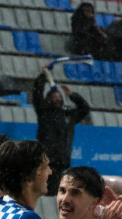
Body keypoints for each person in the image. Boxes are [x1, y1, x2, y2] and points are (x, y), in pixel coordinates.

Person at [32, 69, 91, 197]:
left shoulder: (68, 115)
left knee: (59, 195)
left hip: (63, 162)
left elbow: (85, 108)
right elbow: (37, 94)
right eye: (54, 95)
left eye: (59, 95)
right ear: (48, 98)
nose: (57, 97)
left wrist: (72, 95)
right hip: (47, 161)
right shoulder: (44, 113)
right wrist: (42, 76)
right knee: (45, 193)